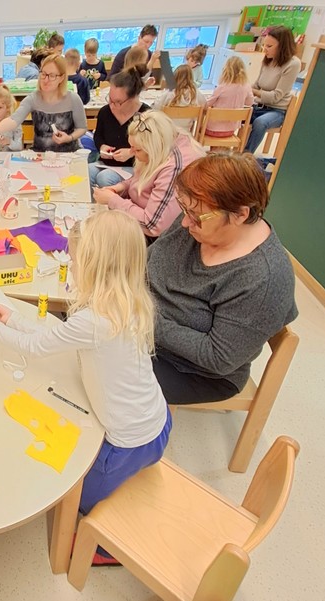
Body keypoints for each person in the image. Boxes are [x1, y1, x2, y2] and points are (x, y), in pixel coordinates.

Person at [0, 210, 171, 564]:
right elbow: (57, 338)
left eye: (76, 260)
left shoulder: (94, 320)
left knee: (70, 496)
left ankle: (108, 548)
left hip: (127, 444)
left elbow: (36, 347)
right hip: (158, 424)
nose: (72, 266)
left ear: (94, 266)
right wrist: (12, 319)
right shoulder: (130, 303)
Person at [147, 152, 298, 404]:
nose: (185, 222)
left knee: (103, 374)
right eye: (185, 209)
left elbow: (218, 357)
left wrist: (141, 318)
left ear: (239, 214)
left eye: (196, 215)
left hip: (194, 370)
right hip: (144, 326)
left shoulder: (263, 278)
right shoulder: (199, 218)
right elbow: (151, 258)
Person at [93, 110, 204, 241]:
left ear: (153, 147)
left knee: (98, 237)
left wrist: (113, 200)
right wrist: (122, 187)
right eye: (131, 147)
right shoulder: (162, 148)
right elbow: (143, 178)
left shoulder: (175, 168)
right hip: (144, 219)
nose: (132, 152)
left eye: (137, 149)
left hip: (158, 238)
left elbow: (152, 225)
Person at [0, 54, 87, 153]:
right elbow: (13, 120)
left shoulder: (73, 99)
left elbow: (82, 128)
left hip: (69, 154)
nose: (46, 80)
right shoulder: (32, 98)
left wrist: (69, 138)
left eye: (52, 76)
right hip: (40, 154)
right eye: (43, 74)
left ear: (61, 78)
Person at [88, 67, 151, 187]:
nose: (112, 106)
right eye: (110, 99)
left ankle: (114, 199)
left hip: (134, 166)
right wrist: (102, 147)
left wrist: (131, 152)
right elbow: (98, 136)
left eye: (118, 102)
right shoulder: (105, 112)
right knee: (85, 171)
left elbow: (154, 149)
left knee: (105, 178)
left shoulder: (147, 116)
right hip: (107, 164)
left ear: (133, 98)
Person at [246, 26, 301, 153]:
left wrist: (252, 91)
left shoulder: (293, 64)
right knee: (234, 111)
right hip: (259, 106)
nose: (264, 49)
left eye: (269, 46)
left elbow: (275, 97)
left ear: (282, 46)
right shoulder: (268, 60)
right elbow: (257, 85)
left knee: (260, 123)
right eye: (264, 45)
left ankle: (245, 156)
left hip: (277, 110)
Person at [203, 56, 254, 138]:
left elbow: (207, 105)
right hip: (231, 130)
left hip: (212, 130)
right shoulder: (246, 87)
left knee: (201, 125)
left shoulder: (222, 87)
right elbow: (250, 103)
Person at [152, 65, 206, 133]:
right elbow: (205, 107)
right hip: (185, 133)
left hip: (167, 132)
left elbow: (156, 107)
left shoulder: (169, 93)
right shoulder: (196, 93)